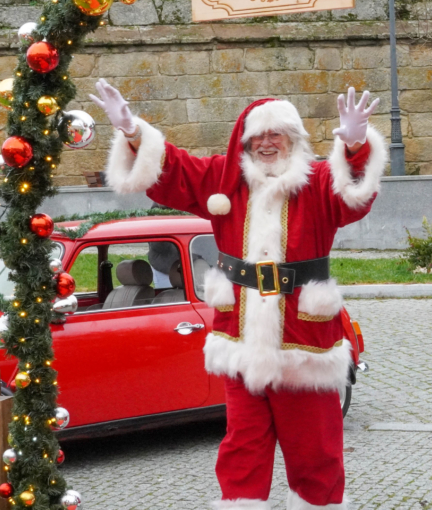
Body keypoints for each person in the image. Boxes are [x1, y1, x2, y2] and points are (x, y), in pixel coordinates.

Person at [91, 79, 387, 510]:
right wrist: (133, 132)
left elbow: (356, 196)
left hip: (303, 342)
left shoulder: (321, 180)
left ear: (294, 138)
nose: (267, 143)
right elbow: (171, 170)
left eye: (276, 134)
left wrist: (357, 146)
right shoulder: (222, 179)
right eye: (258, 137)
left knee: (316, 452)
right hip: (241, 340)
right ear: (244, 143)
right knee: (241, 450)